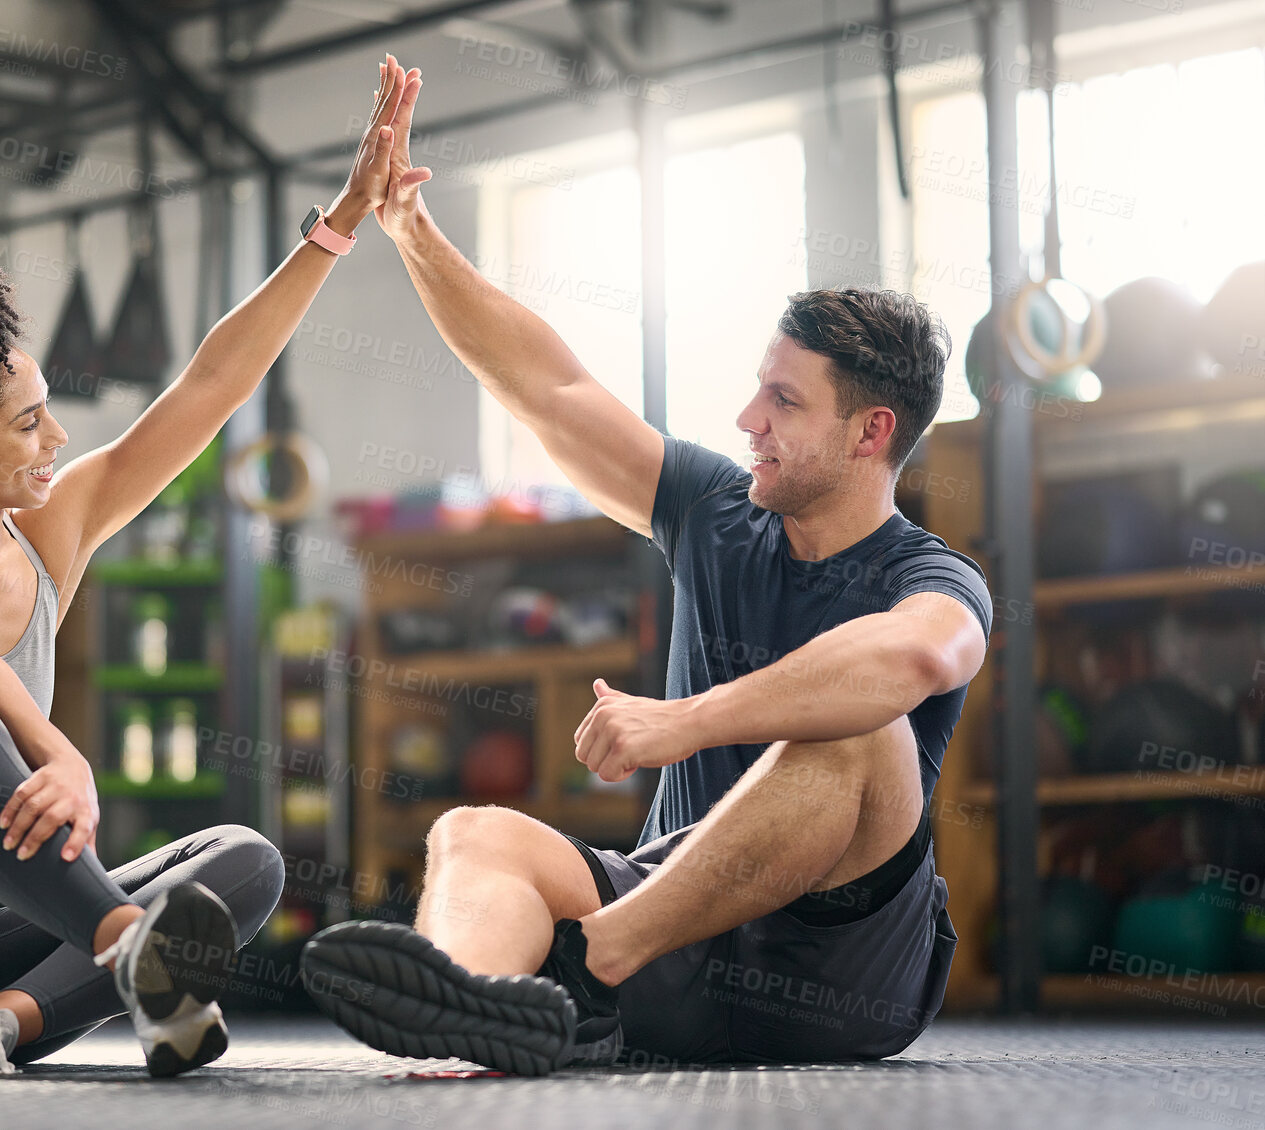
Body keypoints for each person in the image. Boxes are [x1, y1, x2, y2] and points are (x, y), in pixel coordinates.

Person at [0, 57, 419, 1078]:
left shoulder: (51, 531)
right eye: (27, 421)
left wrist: (339, 223)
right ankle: (134, 956)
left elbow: (210, 385)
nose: (56, 436)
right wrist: (62, 752)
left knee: (241, 861)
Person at [301, 59, 992, 1075]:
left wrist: (683, 721)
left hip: (835, 972)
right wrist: (410, 232)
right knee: (473, 830)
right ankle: (467, 1029)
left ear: (868, 431)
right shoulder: (713, 510)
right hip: (676, 943)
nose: (746, 420)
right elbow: (547, 388)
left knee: (860, 727)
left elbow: (916, 660)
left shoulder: (931, 575)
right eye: (755, 391)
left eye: (783, 403)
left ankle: (587, 969)